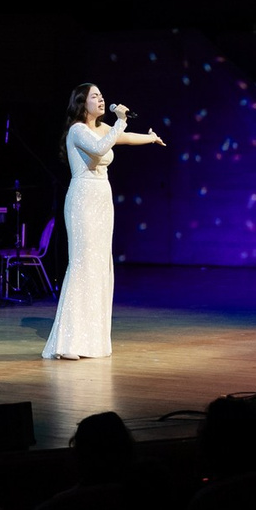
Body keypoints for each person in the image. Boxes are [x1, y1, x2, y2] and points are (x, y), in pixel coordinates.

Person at [40, 82, 165, 361]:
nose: (101, 99)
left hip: (102, 200)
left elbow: (125, 138)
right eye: (94, 96)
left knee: (99, 266)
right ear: (82, 103)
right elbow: (98, 150)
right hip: (83, 199)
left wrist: (149, 138)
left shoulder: (104, 130)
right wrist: (119, 121)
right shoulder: (77, 130)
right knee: (83, 264)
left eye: (101, 95)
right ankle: (69, 343)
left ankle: (91, 341)